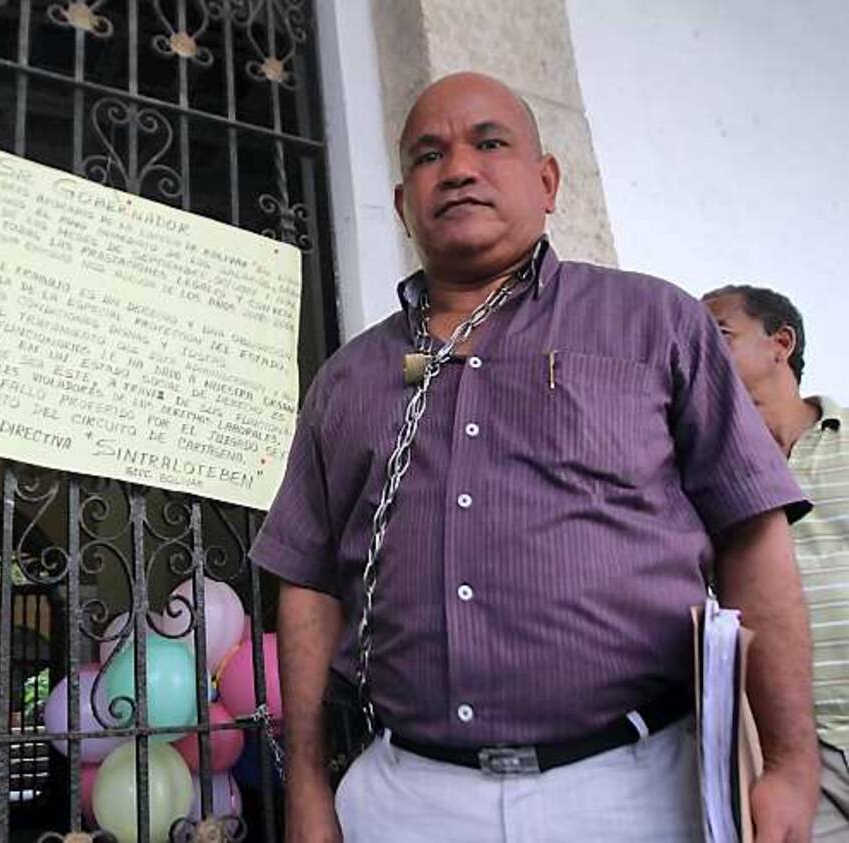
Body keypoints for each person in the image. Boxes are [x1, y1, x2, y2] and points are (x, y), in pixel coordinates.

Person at [251, 72, 819, 842]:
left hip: (639, 788)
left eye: (489, 143)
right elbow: (309, 587)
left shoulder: (656, 323)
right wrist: (310, 790)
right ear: (400, 202)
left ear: (547, 180)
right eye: (428, 155)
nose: (457, 168)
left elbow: (753, 530)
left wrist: (788, 761)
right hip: (405, 798)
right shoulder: (345, 382)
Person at [703, 285, 849, 840]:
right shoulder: (702, 477)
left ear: (780, 345)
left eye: (717, 336)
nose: (698, 354)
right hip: (794, 755)